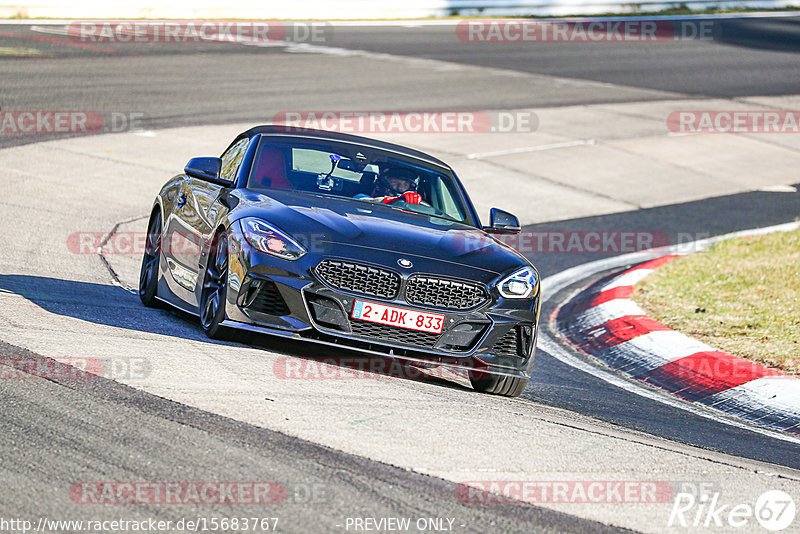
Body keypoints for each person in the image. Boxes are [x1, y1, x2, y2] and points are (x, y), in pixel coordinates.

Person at [355, 167, 423, 205]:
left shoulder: (411, 207)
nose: (399, 187)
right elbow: (362, 201)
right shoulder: (360, 197)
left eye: (405, 185)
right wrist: (395, 200)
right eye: (395, 182)